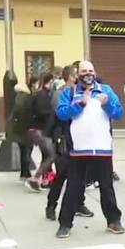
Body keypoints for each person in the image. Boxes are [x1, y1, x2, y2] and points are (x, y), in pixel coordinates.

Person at [54, 61, 124, 238]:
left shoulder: (106, 90)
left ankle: (113, 221)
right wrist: (79, 104)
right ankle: (65, 224)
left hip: (102, 149)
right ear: (78, 74)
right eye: (84, 71)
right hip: (79, 150)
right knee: (73, 188)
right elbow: (61, 113)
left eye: (91, 70)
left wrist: (107, 104)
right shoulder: (69, 92)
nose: (88, 74)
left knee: (107, 188)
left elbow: (118, 113)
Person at [44, 63, 93, 221]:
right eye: (76, 74)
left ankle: (79, 203)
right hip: (64, 139)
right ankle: (51, 206)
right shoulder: (62, 93)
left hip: (81, 140)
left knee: (81, 176)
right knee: (62, 175)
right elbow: (60, 115)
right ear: (72, 76)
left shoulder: (85, 91)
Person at [24, 72, 56, 192]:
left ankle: (43, 179)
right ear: (50, 81)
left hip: (38, 129)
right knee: (52, 155)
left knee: (46, 155)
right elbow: (41, 111)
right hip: (38, 129)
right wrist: (53, 112)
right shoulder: (42, 95)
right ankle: (35, 178)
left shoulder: (43, 94)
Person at [7, 80, 33, 180]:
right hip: (24, 128)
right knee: (27, 149)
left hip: (19, 128)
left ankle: (24, 172)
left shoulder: (18, 97)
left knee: (23, 149)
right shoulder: (24, 98)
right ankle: (25, 172)